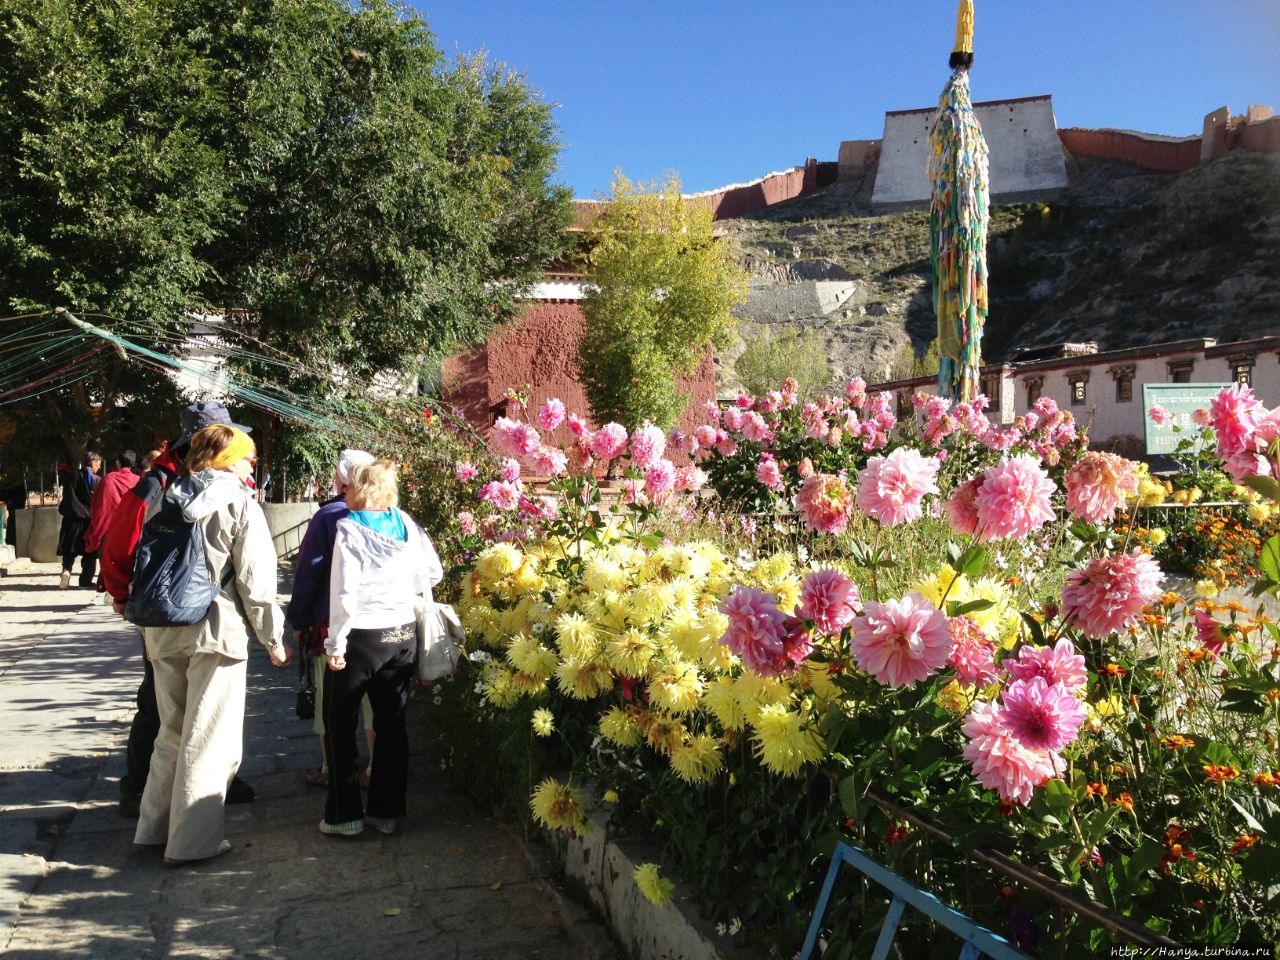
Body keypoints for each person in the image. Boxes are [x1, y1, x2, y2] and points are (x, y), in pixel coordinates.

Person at [133, 424, 293, 864]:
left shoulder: (164, 498)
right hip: (215, 629)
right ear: (227, 459)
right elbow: (256, 585)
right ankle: (191, 844)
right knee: (208, 737)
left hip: (163, 628)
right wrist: (274, 639)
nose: (251, 464)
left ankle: (153, 830)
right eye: (247, 456)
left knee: (171, 732)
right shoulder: (240, 503)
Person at [102, 401, 258, 817]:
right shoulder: (158, 485)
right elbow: (118, 544)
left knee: (190, 707)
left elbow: (117, 544)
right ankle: (140, 787)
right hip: (175, 610)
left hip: (183, 608)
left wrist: (123, 593)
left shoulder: (185, 482)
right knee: (162, 705)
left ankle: (209, 782)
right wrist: (121, 594)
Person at [321, 460, 442, 837]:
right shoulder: (406, 523)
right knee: (392, 723)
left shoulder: (350, 529)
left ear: (361, 489)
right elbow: (433, 572)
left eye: (349, 486)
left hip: (360, 636)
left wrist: (335, 643)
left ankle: (345, 816)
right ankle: (387, 813)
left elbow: (343, 593)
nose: (344, 491)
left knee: (339, 722)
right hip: (401, 634)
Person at [285, 448, 377, 788]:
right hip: (380, 626)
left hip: (333, 624)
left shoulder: (328, 517)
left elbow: (309, 573)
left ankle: (331, 769)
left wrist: (299, 620)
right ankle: (374, 771)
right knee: (374, 702)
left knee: (331, 700)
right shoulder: (391, 515)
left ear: (341, 479)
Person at [83, 450, 143, 592]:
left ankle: (110, 585)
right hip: (132, 527)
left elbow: (99, 505)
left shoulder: (108, 479)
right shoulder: (139, 481)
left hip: (111, 528)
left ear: (118, 462)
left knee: (108, 559)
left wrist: (97, 527)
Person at [57, 452, 102, 588]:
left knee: (70, 549)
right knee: (89, 551)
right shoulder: (96, 480)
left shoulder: (71, 476)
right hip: (88, 520)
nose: (98, 468)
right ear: (93, 463)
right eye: (98, 465)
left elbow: (67, 496)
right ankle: (85, 580)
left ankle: (66, 571)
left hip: (71, 519)